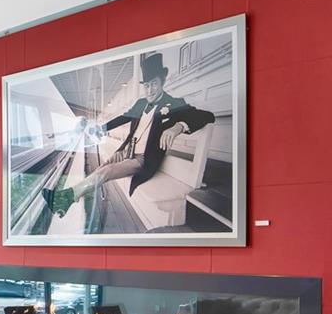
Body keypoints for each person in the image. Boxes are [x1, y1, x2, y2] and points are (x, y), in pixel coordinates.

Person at [43, 51, 215, 218]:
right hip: (128, 150)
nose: (150, 90)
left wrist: (178, 127)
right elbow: (124, 117)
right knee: (104, 166)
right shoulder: (141, 103)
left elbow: (207, 116)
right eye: (146, 85)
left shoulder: (173, 103)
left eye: (154, 84)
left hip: (144, 159)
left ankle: (66, 197)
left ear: (162, 82)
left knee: (108, 170)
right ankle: (68, 199)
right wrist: (103, 128)